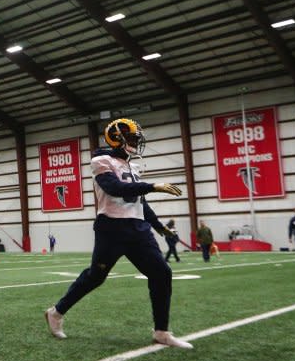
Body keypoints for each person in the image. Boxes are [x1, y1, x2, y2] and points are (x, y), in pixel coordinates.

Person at [44, 118, 193, 349]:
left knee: (162, 273)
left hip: (138, 229)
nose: (135, 142)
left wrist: (159, 227)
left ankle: (162, 331)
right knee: (96, 276)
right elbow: (116, 189)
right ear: (116, 138)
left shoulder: (132, 166)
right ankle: (56, 312)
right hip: (112, 228)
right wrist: (152, 186)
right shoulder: (100, 161)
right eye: (132, 137)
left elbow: (139, 203)